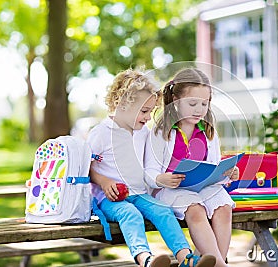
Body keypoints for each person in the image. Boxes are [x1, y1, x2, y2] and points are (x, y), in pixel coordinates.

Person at [87, 69, 216, 267]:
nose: (148, 117)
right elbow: (86, 167)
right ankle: (145, 259)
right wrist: (105, 182)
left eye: (150, 111)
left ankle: (186, 258)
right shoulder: (101, 133)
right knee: (130, 214)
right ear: (123, 104)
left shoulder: (143, 132)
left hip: (138, 193)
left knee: (163, 211)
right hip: (110, 198)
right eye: (144, 111)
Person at [144, 68, 240, 267]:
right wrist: (161, 179)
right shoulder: (161, 132)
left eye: (205, 103)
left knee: (223, 207)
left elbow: (213, 167)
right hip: (169, 190)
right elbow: (149, 171)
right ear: (175, 101)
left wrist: (227, 173)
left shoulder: (208, 131)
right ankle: (221, 265)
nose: (199, 109)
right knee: (195, 210)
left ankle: (216, 262)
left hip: (202, 188)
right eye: (192, 103)